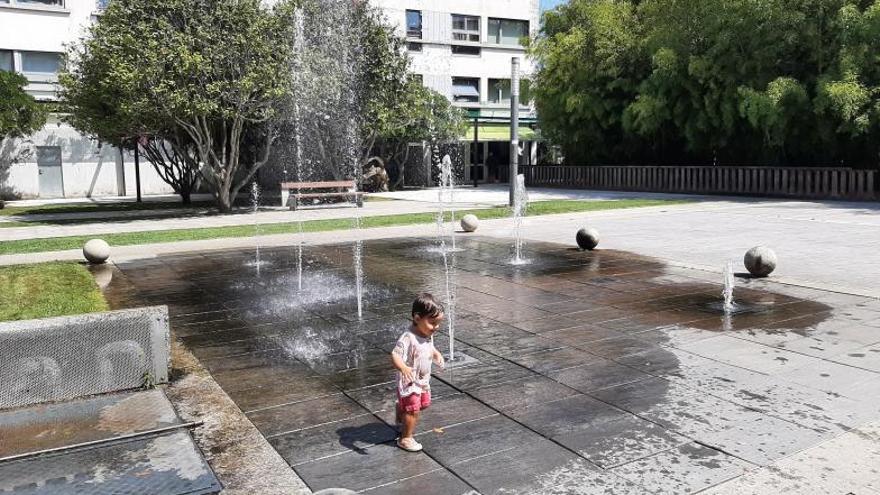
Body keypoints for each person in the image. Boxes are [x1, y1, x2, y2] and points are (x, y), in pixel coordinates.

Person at [391, 293, 446, 452]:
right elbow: (395, 355)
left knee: (423, 404)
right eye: (432, 322)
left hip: (422, 380)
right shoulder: (408, 337)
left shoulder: (426, 333)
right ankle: (406, 438)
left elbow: (429, 346)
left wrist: (436, 354)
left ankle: (401, 409)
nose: (436, 327)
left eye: (438, 323)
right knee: (413, 410)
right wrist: (403, 367)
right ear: (417, 318)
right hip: (410, 382)